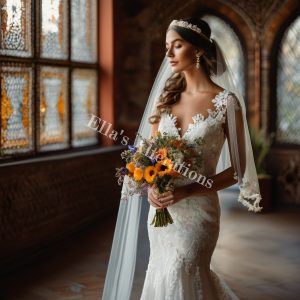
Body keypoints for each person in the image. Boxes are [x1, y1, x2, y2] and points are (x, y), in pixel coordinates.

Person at [102, 17, 263, 300]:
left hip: (199, 213)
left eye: (177, 45)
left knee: (185, 269)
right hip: (162, 215)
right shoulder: (165, 100)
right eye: (167, 46)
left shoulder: (227, 103)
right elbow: (147, 156)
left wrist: (189, 189)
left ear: (198, 50)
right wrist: (151, 187)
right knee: (162, 272)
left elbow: (238, 170)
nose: (169, 54)